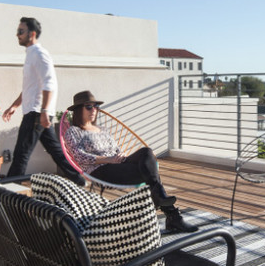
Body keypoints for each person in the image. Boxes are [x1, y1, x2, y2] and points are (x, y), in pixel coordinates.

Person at [62, 90, 198, 233]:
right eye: (88, 106)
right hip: (100, 170)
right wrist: (108, 159)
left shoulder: (102, 129)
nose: (94, 110)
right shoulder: (73, 131)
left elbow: (115, 148)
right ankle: (170, 212)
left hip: (117, 164)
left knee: (146, 152)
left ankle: (161, 199)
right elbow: (79, 156)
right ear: (78, 110)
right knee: (148, 172)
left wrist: (120, 155)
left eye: (96, 106)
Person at [2, 17, 84, 185]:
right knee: (55, 151)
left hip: (37, 112)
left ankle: (8, 192)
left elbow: (49, 83)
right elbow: (30, 88)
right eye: (17, 31)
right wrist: (14, 106)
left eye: (21, 31)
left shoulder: (39, 54)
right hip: (37, 111)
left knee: (21, 154)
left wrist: (45, 111)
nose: (17, 35)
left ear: (32, 34)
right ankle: (79, 180)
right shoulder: (31, 55)